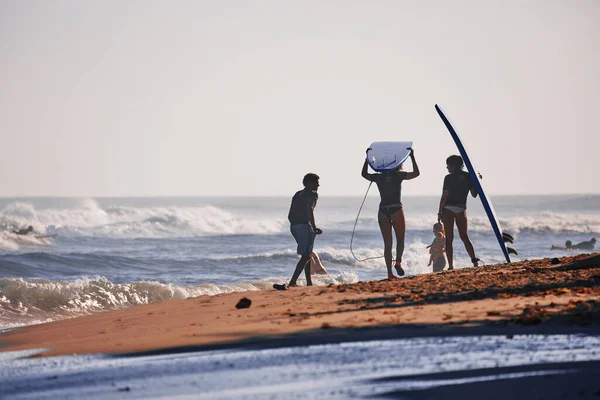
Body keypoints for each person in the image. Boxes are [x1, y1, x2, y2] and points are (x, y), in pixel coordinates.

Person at [362, 148, 420, 279]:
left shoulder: (378, 177)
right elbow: (416, 173)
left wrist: (367, 159)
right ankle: (398, 262)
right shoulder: (398, 175)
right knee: (400, 239)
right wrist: (412, 157)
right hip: (396, 209)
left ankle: (389, 273)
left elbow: (364, 174)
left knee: (387, 244)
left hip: (383, 210)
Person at [274, 173, 322, 290]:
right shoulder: (313, 194)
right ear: (310, 183)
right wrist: (313, 227)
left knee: (307, 254)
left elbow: (290, 213)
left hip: (294, 226)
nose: (318, 185)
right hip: (304, 226)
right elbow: (309, 209)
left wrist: (295, 224)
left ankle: (309, 282)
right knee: (306, 255)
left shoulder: (298, 194)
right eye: (316, 182)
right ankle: (293, 281)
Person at [437, 155, 479, 270]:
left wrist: (439, 212)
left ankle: (451, 266)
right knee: (464, 236)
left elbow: (444, 197)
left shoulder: (448, 178)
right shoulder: (468, 176)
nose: (447, 168)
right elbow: (474, 194)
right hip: (461, 208)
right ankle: (475, 262)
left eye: (448, 165)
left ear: (453, 165)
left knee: (449, 239)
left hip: (448, 209)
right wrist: (476, 182)